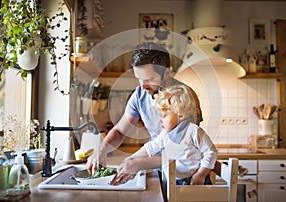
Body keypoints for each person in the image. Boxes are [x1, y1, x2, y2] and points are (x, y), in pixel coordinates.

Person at [86, 42, 203, 185]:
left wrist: (140, 163)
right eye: (139, 78)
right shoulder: (140, 95)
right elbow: (120, 131)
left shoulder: (185, 97)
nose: (142, 85)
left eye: (149, 79)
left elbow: (184, 151)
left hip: (187, 176)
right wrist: (102, 150)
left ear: (166, 73)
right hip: (159, 169)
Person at [125, 85, 217, 185]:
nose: (160, 120)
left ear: (180, 115)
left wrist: (201, 174)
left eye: (164, 116)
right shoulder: (166, 134)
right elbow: (151, 148)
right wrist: (131, 158)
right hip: (174, 181)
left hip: (194, 181)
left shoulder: (194, 131)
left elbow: (211, 152)